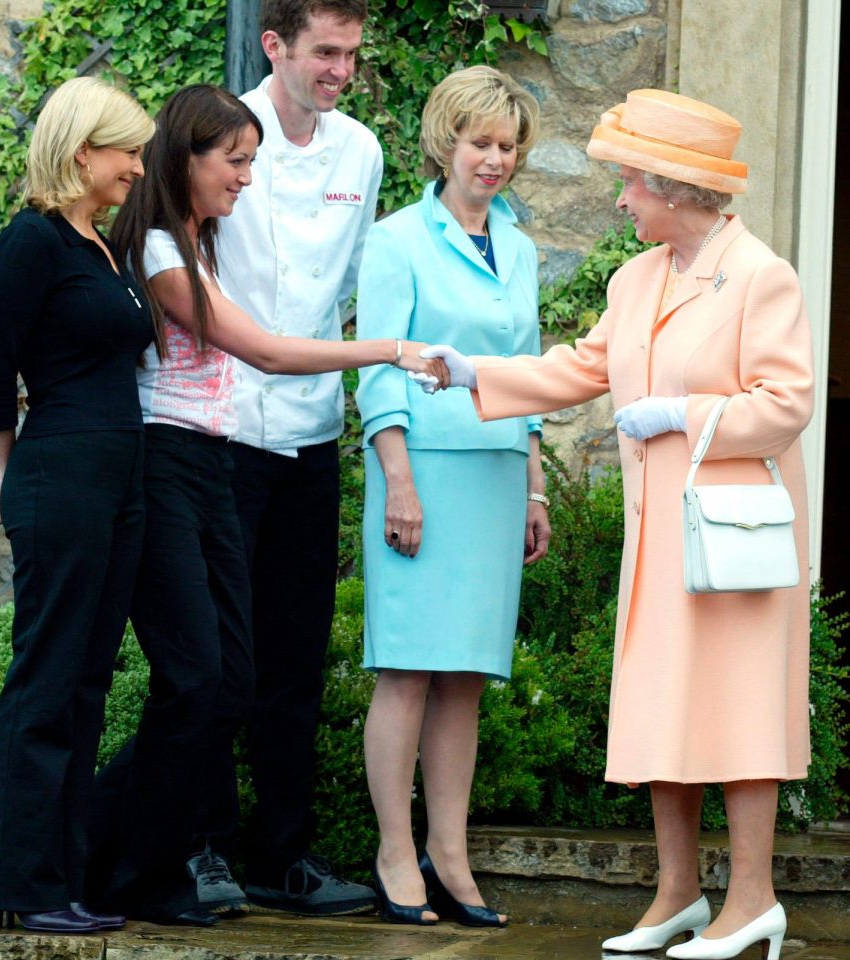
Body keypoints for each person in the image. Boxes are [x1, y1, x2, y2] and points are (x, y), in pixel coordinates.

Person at [424, 89, 813, 959]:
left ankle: (752, 900)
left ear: (672, 189)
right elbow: (579, 366)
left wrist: (682, 414)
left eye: (629, 185)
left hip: (732, 533)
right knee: (661, 707)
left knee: (743, 711)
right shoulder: (635, 277)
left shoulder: (760, 274)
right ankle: (677, 894)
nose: (619, 201)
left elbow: (787, 403)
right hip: (660, 536)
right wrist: (469, 374)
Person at [85, 83, 443, 927]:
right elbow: (269, 354)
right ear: (187, 159)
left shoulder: (198, 247)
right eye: (235, 162)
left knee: (231, 681)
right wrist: (393, 349)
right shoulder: (161, 252)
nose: (247, 178)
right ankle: (124, 858)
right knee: (200, 681)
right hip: (165, 467)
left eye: (252, 160)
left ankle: (123, 849)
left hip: (209, 469)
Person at [355, 65, 549, 927]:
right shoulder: (396, 239)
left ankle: (450, 851)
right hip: (421, 472)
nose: (494, 159)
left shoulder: (521, 245)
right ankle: (395, 850)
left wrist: (536, 486)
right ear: (446, 142)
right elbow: (380, 371)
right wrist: (397, 480)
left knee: (466, 676)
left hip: (497, 473)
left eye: (507, 146)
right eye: (480, 143)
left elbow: (534, 376)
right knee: (405, 668)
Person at [0, 77, 155, 934]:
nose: (138, 167)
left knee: (85, 680)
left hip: (117, 478)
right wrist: (14, 469)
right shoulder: (33, 241)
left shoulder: (102, 247)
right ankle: (19, 887)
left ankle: (65, 880)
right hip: (64, 474)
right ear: (84, 151)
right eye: (128, 152)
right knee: (46, 678)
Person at [214, 0, 385, 915]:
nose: (341, 72)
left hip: (313, 430)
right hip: (227, 430)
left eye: (352, 55)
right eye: (326, 52)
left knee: (295, 654)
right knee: (214, 658)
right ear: (275, 44)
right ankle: (199, 847)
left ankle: (282, 854)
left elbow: (350, 278)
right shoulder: (219, 137)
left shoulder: (360, 151)